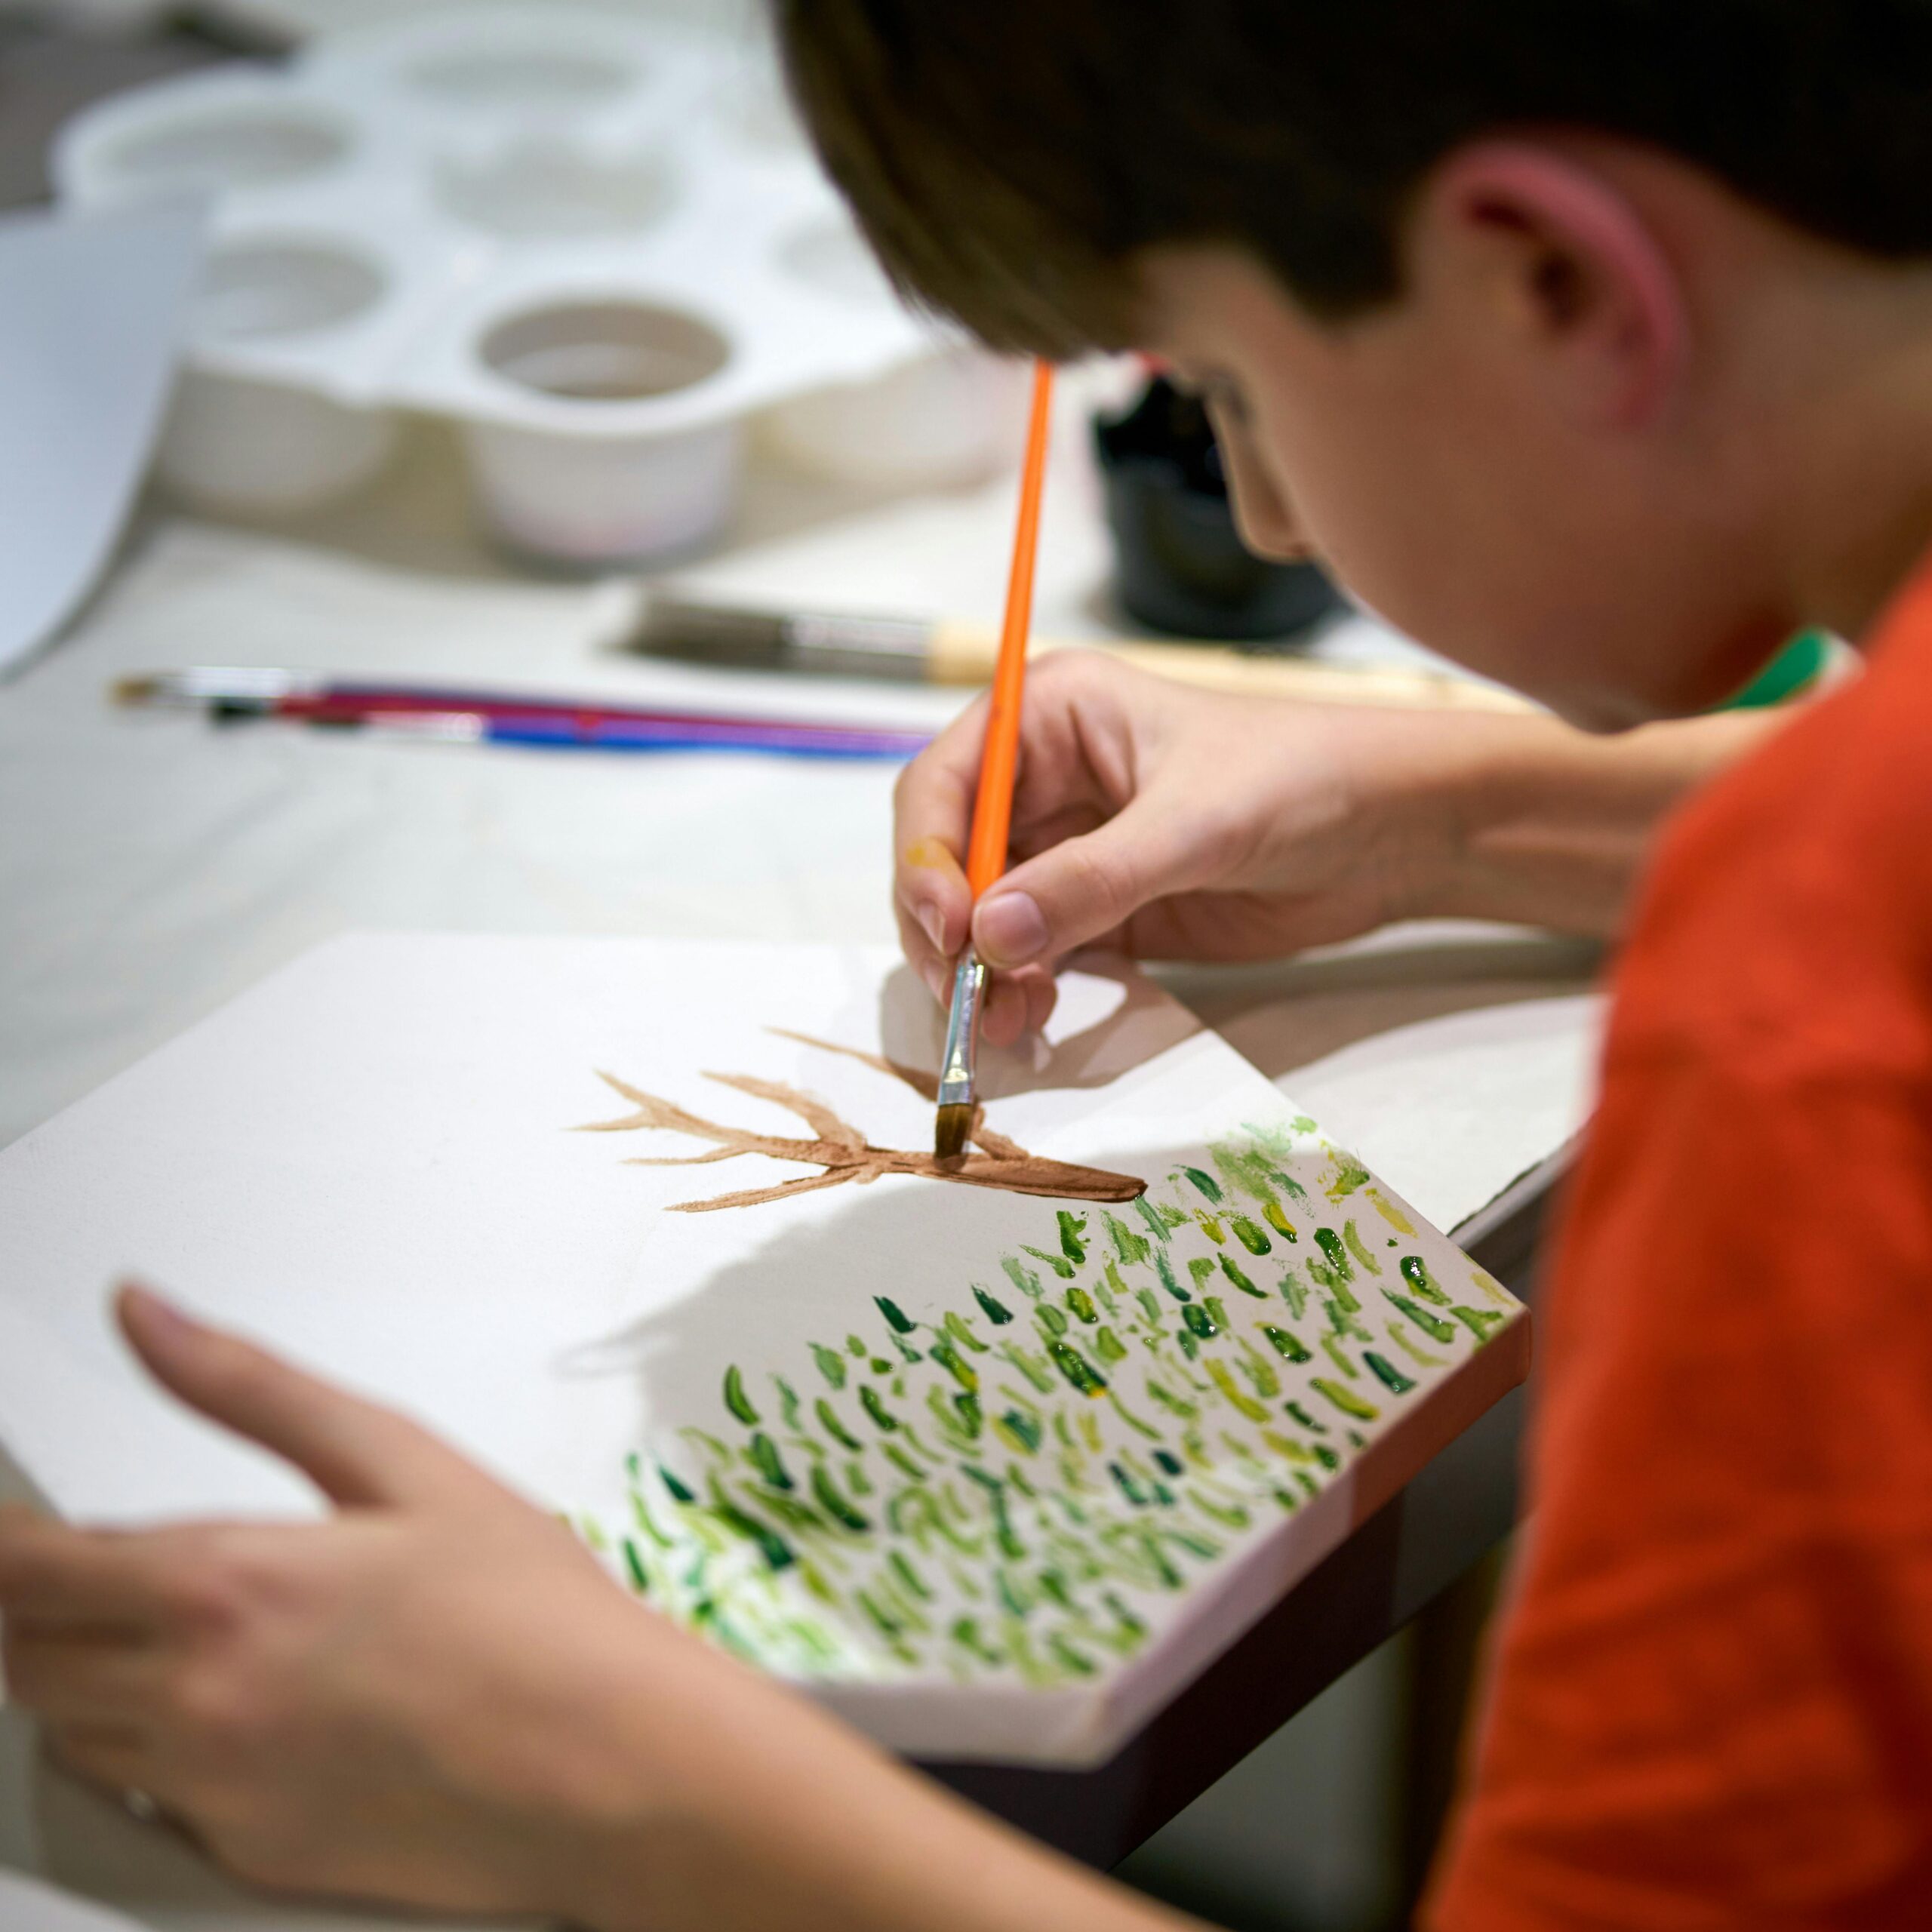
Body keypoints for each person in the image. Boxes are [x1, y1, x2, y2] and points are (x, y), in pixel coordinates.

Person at [7, 2, 1932, 1924]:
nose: (1261, 517)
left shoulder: (1808, 1022)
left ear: (1550, 284)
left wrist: (610, 1780)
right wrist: (1449, 808)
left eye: (1234, 399)